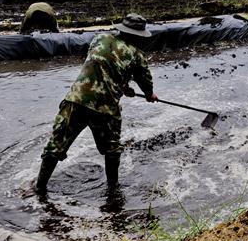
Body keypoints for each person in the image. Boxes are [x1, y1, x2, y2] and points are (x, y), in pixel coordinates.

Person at [35, 13, 158, 194]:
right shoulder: (137, 55)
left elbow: (101, 63)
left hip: (76, 100)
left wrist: (122, 86)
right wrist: (149, 94)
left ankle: (39, 187)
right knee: (112, 150)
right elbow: (145, 81)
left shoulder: (100, 38)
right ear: (138, 35)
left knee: (55, 146)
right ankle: (113, 190)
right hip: (105, 108)